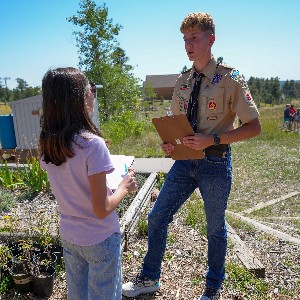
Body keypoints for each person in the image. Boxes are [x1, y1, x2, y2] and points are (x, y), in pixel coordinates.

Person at [122, 12, 261, 300]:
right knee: (157, 217)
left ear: (211, 39)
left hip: (215, 162)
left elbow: (254, 127)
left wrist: (213, 139)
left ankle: (212, 288)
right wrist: (170, 145)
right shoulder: (183, 80)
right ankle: (149, 278)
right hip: (184, 162)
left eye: (194, 38)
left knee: (215, 228)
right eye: (185, 39)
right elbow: (176, 123)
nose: (188, 45)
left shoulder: (230, 78)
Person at [39, 67, 137, 300]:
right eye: (90, 89)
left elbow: (71, 181)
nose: (93, 94)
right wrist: (123, 187)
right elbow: (101, 209)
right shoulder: (92, 144)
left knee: (77, 294)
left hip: (70, 235)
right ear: (80, 98)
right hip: (100, 237)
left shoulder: (48, 142)